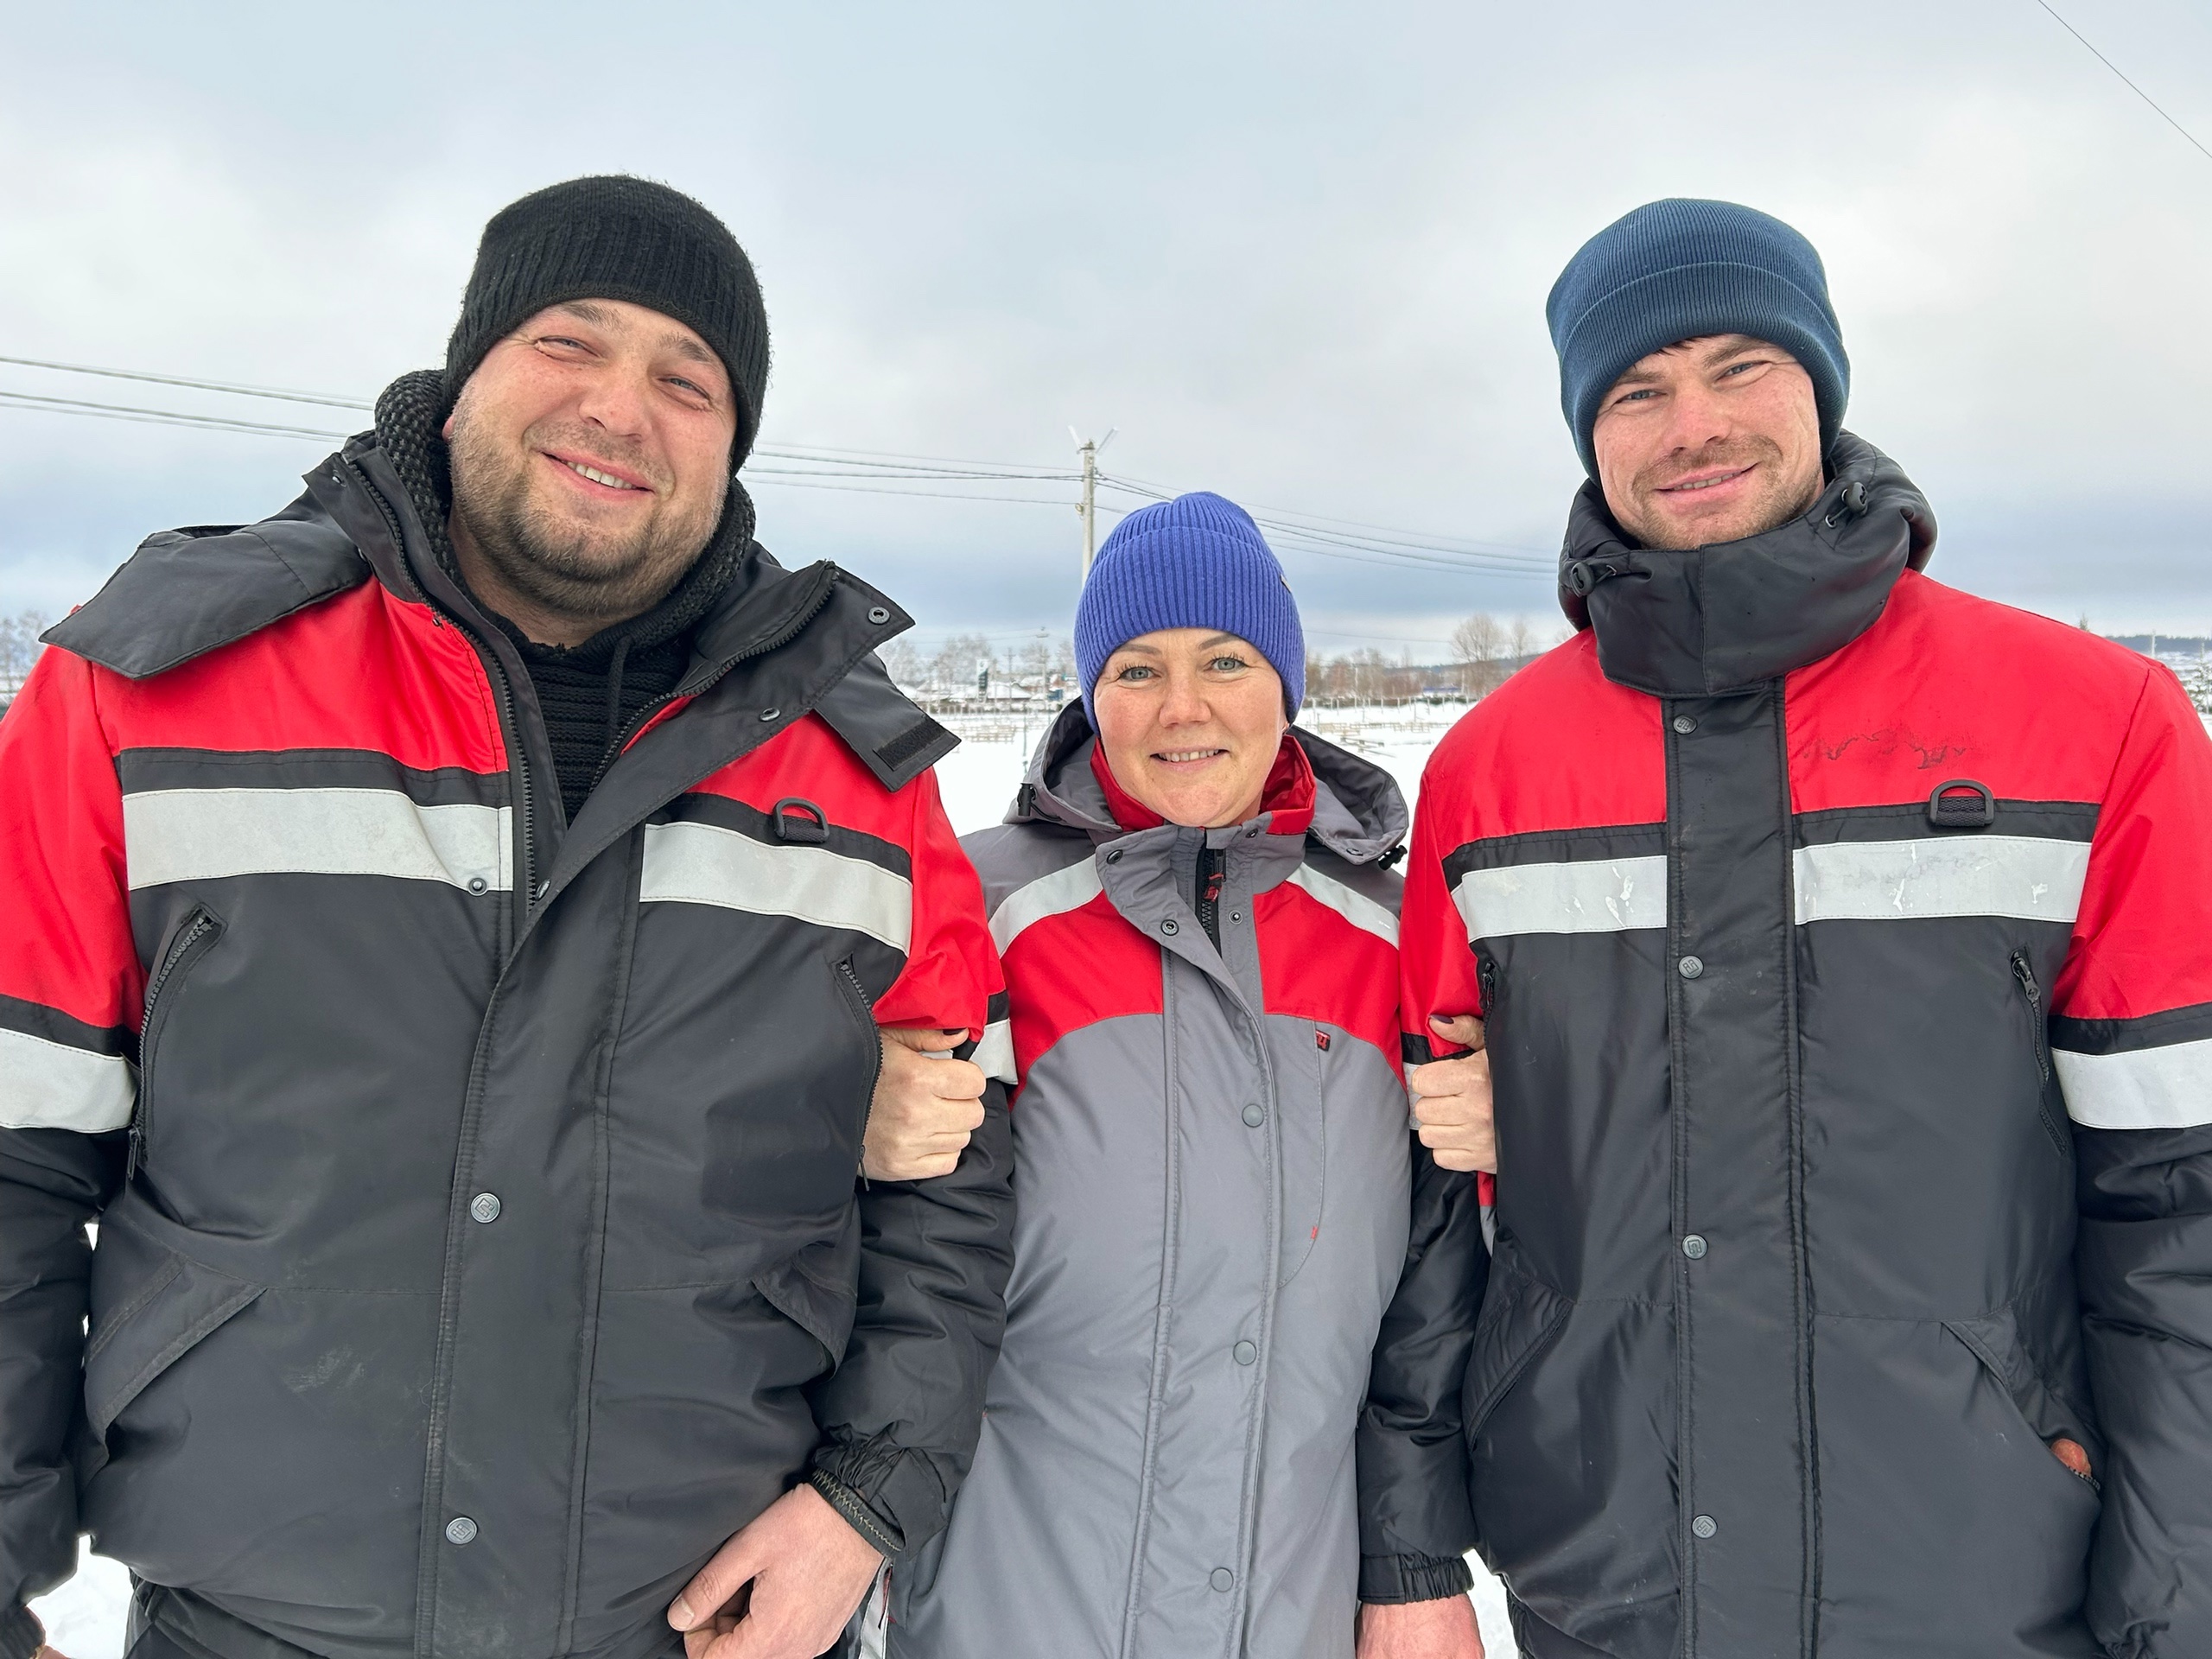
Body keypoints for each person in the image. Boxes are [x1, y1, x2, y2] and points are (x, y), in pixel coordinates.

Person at [0, 176, 1016, 1659]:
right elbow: (17, 1155)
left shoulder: (858, 767)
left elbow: (953, 1176)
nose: (620, 407)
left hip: (695, 1625)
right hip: (253, 1624)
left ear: (733, 443)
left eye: (688, 381)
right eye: (569, 340)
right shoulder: (156, 686)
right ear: (468, 365)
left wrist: (866, 1502)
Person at [1398, 197, 2212, 1657]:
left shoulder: (2097, 724)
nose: (1694, 424)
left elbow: (2182, 1197)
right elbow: (1434, 1208)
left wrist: (2181, 1598)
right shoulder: (1487, 771)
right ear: (1586, 433)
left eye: (1740, 367)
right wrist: (1410, 1556)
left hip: (1983, 1579)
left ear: (1822, 386)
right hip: (1603, 1576)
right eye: (1637, 391)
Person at [886, 493, 1487, 1659]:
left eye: (1226, 660)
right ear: (1091, 697)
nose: (1183, 707)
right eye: (1137, 669)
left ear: (1286, 686)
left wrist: (1411, 1564)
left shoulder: (1393, 932)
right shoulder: (977, 908)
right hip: (999, 1607)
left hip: (1292, 1610)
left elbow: (1434, 1294)